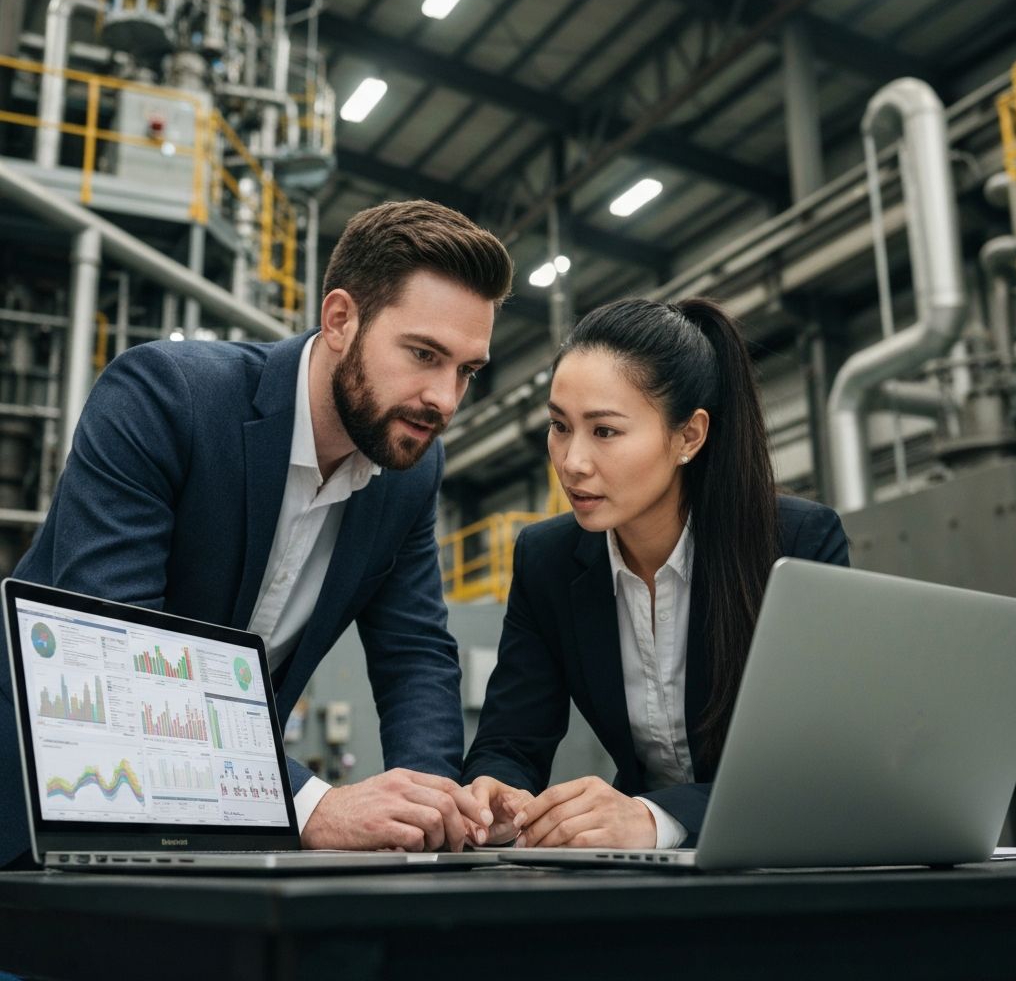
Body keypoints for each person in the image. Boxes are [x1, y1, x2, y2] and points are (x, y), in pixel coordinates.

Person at [1, 199, 513, 868]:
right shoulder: (165, 397)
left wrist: (433, 804)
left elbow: (414, 651)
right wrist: (312, 805)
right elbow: (124, 648)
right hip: (44, 800)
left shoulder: (408, 470)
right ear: (340, 320)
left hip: (213, 829)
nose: (445, 398)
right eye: (423, 354)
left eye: (466, 371)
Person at [463, 297, 849, 849]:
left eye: (605, 431)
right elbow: (511, 740)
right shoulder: (546, 561)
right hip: (645, 874)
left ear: (689, 436)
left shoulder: (797, 545)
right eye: (558, 426)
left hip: (784, 858)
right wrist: (495, 792)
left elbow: (818, 764)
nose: (572, 462)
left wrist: (654, 818)